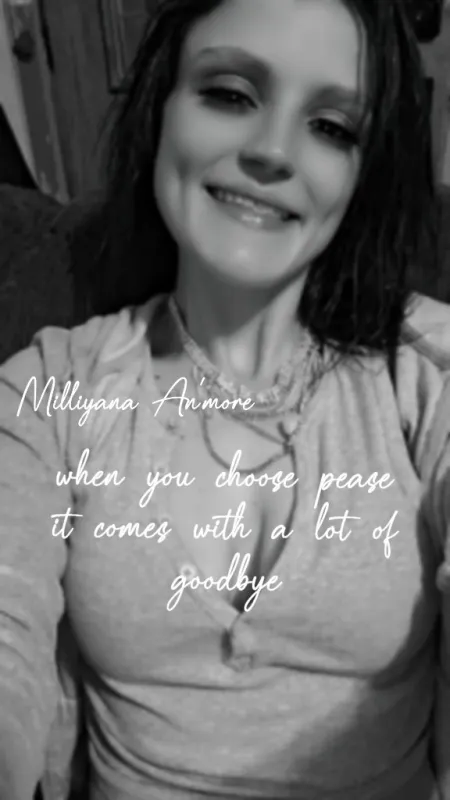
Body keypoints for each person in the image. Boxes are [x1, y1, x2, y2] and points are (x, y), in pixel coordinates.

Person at [0, 0, 449, 799]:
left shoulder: (424, 377)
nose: (272, 150)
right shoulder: (51, 390)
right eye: (230, 94)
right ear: (161, 110)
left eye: (332, 128)